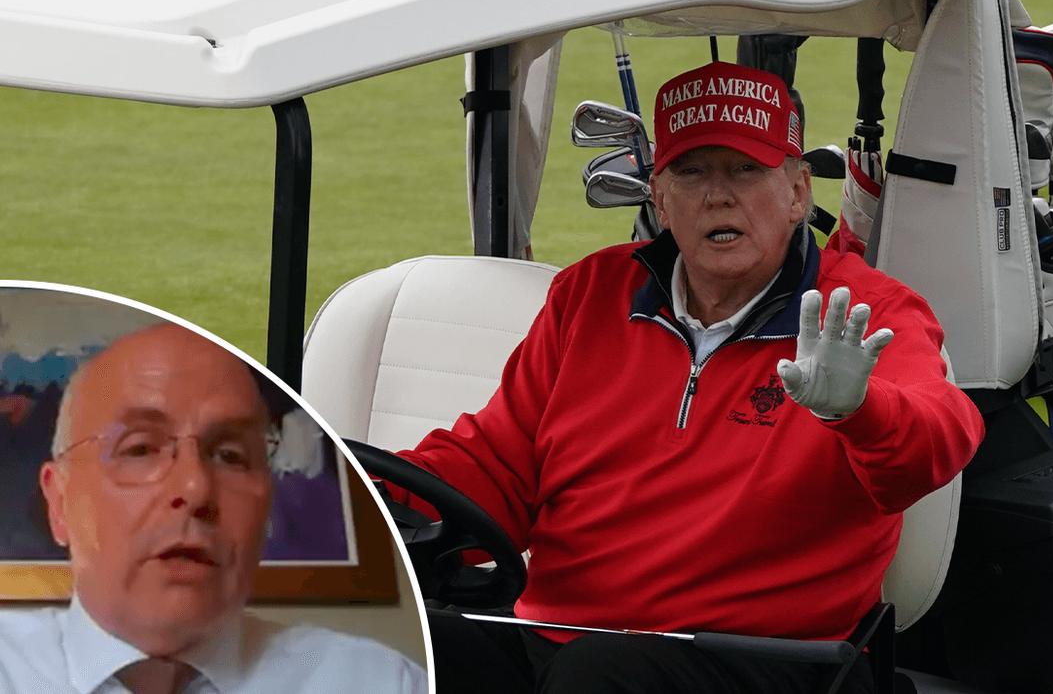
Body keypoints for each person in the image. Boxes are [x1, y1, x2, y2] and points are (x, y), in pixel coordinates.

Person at [385, 61, 985, 694]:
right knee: (370, 645)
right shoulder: (592, 293)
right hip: (560, 641)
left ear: (798, 192)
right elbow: (500, 462)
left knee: (599, 676)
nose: (717, 196)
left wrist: (857, 409)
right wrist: (359, 496)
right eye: (692, 172)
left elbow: (939, 438)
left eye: (746, 170)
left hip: (766, 659)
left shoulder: (863, 312)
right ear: (660, 199)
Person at [0, 324, 428, 694]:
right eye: (142, 448)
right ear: (58, 503)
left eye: (230, 455)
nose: (196, 487)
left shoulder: (378, 682)